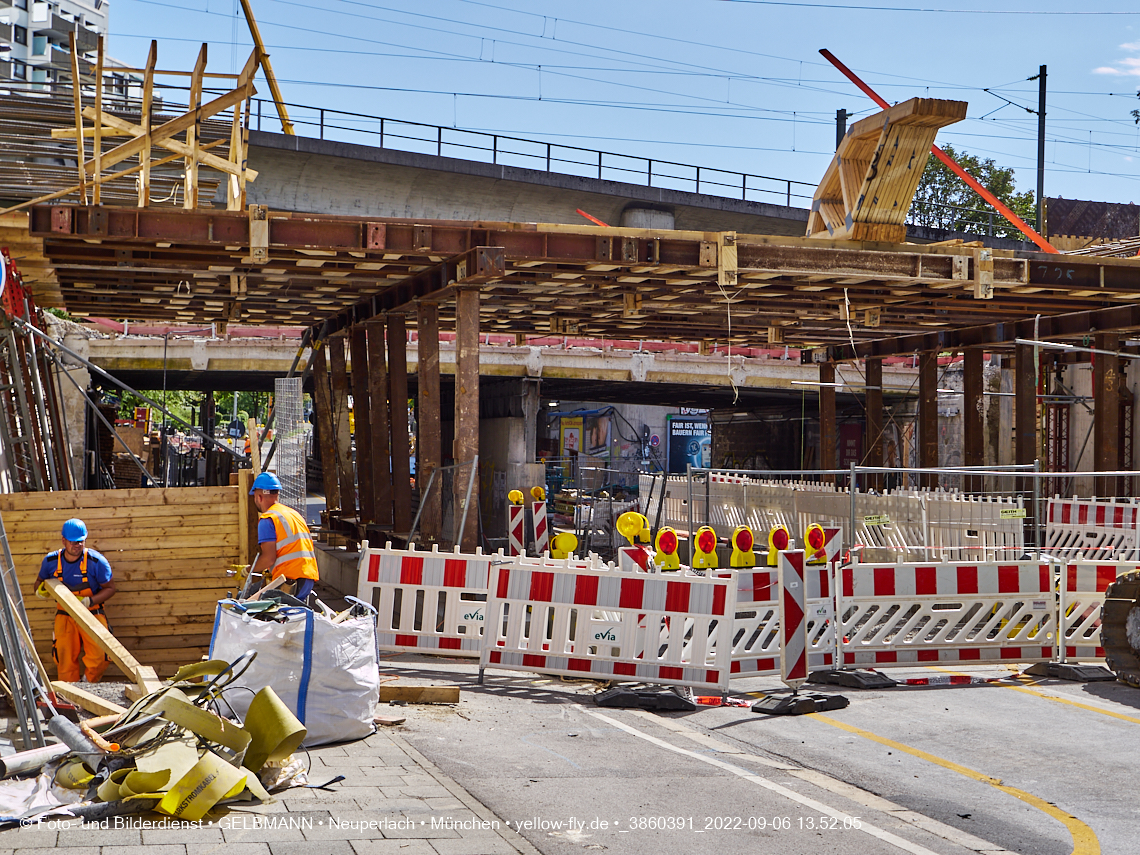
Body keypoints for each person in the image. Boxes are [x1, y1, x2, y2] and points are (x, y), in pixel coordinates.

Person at [35, 518, 117, 683]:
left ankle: (88, 686)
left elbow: (110, 588)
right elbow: (38, 583)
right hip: (65, 616)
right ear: (63, 540)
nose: (77, 545)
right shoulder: (51, 562)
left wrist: (89, 601)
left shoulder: (96, 562)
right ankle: (69, 692)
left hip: (92, 614)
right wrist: (41, 590)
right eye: (73, 542)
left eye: (80, 541)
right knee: (63, 658)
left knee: (101, 655)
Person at [249, 471, 319, 600]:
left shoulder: (268, 519)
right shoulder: (294, 514)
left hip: (289, 581)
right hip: (307, 578)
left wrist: (248, 571)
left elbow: (268, 558)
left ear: (259, 497)